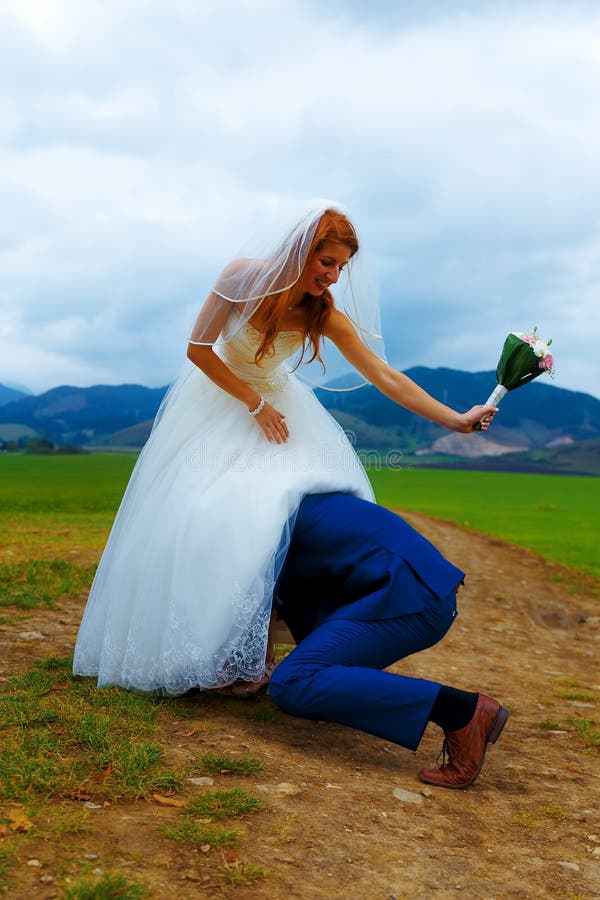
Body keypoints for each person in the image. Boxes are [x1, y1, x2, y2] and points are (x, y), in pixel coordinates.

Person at [73, 202, 496, 696]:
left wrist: (455, 420)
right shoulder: (239, 279)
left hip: (284, 412)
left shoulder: (323, 315)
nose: (334, 276)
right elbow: (197, 350)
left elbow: (384, 376)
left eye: (341, 267)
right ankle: (208, 648)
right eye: (326, 262)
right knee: (201, 514)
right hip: (220, 401)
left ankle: (259, 653)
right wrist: (253, 403)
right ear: (301, 251)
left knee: (270, 519)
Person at [268, 492, 509, 789]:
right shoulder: (290, 498)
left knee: (291, 682)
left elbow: (261, 603)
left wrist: (255, 668)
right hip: (402, 592)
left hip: (414, 600)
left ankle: (462, 712)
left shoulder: (263, 519)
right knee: (308, 673)